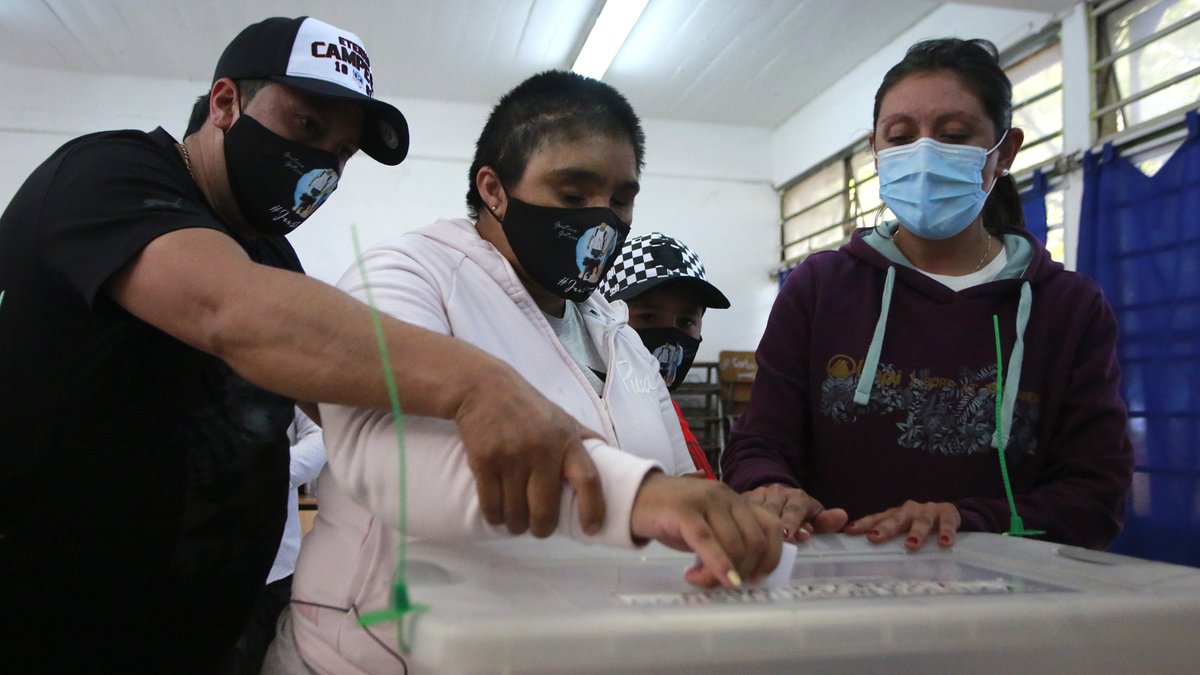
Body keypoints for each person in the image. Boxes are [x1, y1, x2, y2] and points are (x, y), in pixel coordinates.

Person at [0, 17, 612, 672]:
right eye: (306, 128)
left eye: (341, 154)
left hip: (195, 628)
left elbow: (347, 403)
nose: (321, 165)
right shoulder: (109, 175)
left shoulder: (269, 253)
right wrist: (479, 382)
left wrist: (581, 480)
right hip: (46, 624)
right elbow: (232, 309)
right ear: (226, 102)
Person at [269, 71, 782, 674]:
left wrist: (746, 518)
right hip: (380, 652)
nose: (601, 220)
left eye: (620, 199)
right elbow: (391, 463)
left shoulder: (614, 332)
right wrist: (635, 496)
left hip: (548, 650)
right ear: (494, 188)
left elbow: (677, 478)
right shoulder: (407, 277)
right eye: (572, 195)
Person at [722, 38, 1133, 551]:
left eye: (954, 135)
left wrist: (965, 519)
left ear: (1004, 151)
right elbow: (758, 443)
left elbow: (1096, 497)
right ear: (875, 151)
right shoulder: (821, 287)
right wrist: (770, 489)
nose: (923, 153)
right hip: (834, 590)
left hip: (1008, 603)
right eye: (900, 136)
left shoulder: (1068, 308)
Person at [601, 232, 733, 479]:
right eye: (648, 317)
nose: (670, 335)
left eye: (685, 321)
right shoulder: (596, 419)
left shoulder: (666, 410)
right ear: (608, 315)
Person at [226, 408, 326, 675]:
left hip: (276, 563)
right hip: (200, 558)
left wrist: (270, 473)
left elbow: (323, 435)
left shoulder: (281, 374)